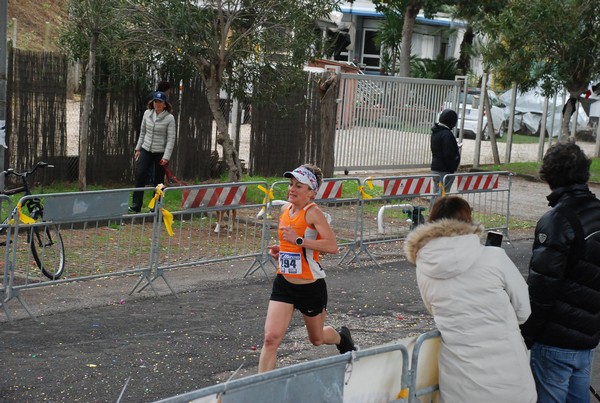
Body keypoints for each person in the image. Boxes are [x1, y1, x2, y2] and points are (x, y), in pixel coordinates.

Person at [404, 196, 536, 403]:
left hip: (460, 379)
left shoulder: (424, 266)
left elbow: (433, 309)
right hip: (508, 373)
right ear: (468, 221)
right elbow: (524, 310)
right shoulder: (495, 257)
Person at [520, 142, 600, 402]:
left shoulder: (557, 220)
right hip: (587, 337)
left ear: (549, 175)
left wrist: (526, 335)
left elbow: (542, 288)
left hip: (554, 341)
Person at [258, 164, 356, 373]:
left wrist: (299, 240)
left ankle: (342, 338)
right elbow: (292, 245)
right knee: (270, 338)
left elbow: (332, 246)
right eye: (291, 184)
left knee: (317, 339)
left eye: (299, 186)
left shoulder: (313, 213)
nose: (292, 189)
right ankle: (263, 391)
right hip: (284, 283)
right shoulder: (285, 210)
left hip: (310, 286)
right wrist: (281, 251)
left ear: (311, 192)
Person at [130, 91, 176, 213]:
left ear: (165, 104)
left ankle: (155, 207)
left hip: (160, 152)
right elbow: (143, 132)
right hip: (146, 149)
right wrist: (138, 148)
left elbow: (171, 139)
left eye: (160, 102)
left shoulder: (169, 118)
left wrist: (166, 157)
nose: (157, 104)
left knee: (158, 181)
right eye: (155, 101)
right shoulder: (147, 114)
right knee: (140, 175)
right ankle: (136, 205)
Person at [430, 109, 461, 202]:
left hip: (436, 167)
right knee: (442, 196)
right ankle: (437, 215)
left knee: (436, 194)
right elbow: (448, 153)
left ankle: (433, 214)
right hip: (444, 170)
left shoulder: (436, 132)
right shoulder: (447, 134)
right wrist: (453, 166)